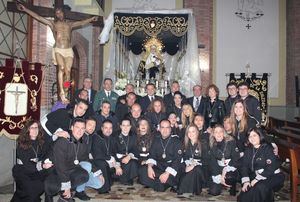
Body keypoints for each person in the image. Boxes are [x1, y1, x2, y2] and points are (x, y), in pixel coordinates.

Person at [17, 4, 98, 103]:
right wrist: (25, 9)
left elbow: (81, 22)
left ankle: (66, 91)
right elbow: (38, 17)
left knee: (68, 72)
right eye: (57, 14)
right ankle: (62, 93)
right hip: (59, 49)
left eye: (60, 13)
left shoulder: (70, 25)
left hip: (68, 50)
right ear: (56, 15)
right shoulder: (53, 24)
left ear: (63, 13)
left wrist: (91, 19)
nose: (59, 15)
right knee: (62, 68)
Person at [44, 118, 103, 201]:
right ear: (71, 128)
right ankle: (53, 194)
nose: (80, 131)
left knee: (84, 175)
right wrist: (66, 186)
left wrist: (98, 172)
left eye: (82, 128)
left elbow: (86, 159)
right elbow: (61, 166)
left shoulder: (82, 143)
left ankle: (66, 194)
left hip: (69, 170)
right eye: (77, 127)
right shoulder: (62, 142)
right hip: (55, 172)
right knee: (52, 187)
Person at [237, 128, 285, 202]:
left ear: (260, 136)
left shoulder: (268, 148)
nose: (252, 138)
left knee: (259, 187)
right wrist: (246, 181)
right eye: (250, 136)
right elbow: (244, 166)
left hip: (274, 176)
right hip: (258, 175)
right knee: (245, 193)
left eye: (254, 135)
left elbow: (271, 168)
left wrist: (256, 179)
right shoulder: (248, 149)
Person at [11, 120, 53, 202]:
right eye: (32, 128)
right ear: (27, 130)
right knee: (33, 187)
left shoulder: (41, 142)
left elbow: (46, 153)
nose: (34, 130)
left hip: (36, 169)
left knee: (41, 185)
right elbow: (27, 163)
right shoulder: (22, 143)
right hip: (22, 169)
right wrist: (41, 165)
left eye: (36, 127)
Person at [139, 120, 182, 192]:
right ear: (159, 129)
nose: (165, 130)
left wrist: (167, 173)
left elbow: (177, 160)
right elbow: (152, 155)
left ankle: (160, 182)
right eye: (162, 127)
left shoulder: (176, 140)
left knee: (162, 185)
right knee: (142, 170)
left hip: (171, 167)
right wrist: (149, 167)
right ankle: (163, 182)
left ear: (170, 129)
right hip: (160, 167)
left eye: (167, 127)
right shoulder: (156, 139)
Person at [177, 124, 209, 195]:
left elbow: (207, 160)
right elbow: (184, 157)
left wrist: (194, 164)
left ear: (197, 132)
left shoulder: (203, 143)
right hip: (189, 165)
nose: (191, 134)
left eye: (193, 131)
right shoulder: (185, 143)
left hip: (201, 168)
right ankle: (192, 188)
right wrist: (187, 164)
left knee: (196, 169)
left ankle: (186, 188)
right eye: (189, 132)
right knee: (181, 166)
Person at [209, 125, 239, 196]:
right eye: (216, 132)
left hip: (230, 168)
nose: (218, 134)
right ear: (213, 134)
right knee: (214, 192)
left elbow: (236, 157)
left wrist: (225, 170)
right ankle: (221, 183)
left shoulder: (231, 142)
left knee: (229, 178)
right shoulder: (212, 144)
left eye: (220, 131)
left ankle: (232, 186)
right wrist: (218, 176)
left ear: (224, 133)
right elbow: (212, 162)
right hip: (219, 168)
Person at [90, 120, 119, 194]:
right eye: (106, 128)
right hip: (95, 160)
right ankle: (103, 188)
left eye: (110, 128)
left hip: (106, 159)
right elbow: (96, 155)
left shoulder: (112, 138)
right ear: (102, 128)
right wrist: (109, 158)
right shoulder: (96, 137)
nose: (108, 130)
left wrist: (117, 165)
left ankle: (108, 182)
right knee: (103, 164)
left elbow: (114, 152)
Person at [114, 118, 139, 185]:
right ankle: (125, 179)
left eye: (128, 125)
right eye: (123, 125)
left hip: (129, 158)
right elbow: (113, 151)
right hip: (118, 159)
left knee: (133, 163)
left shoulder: (134, 135)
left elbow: (135, 149)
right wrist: (117, 165)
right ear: (120, 126)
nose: (125, 127)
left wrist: (129, 156)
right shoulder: (115, 136)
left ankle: (125, 178)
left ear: (130, 126)